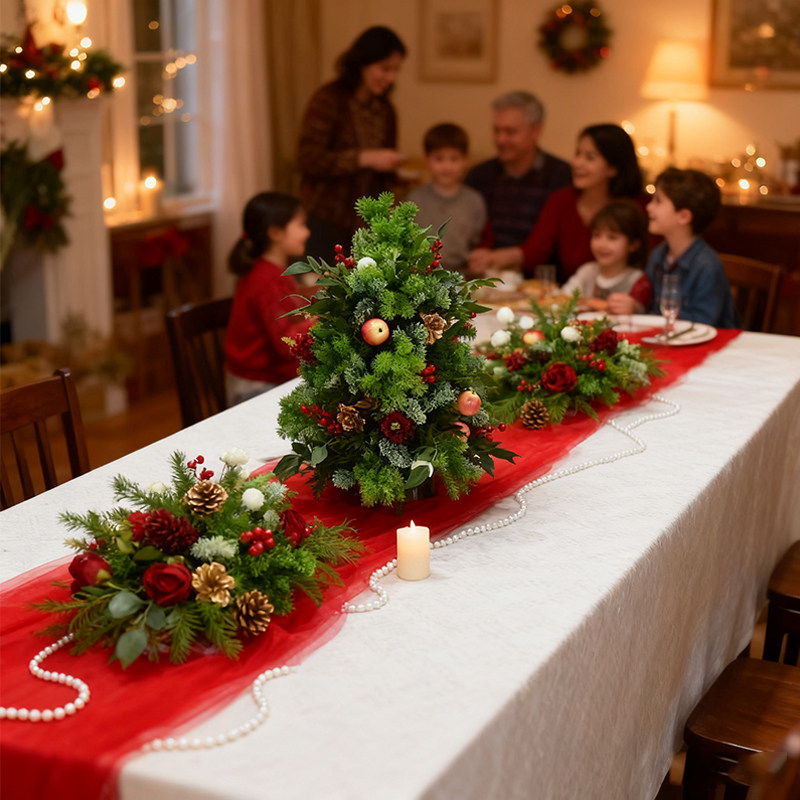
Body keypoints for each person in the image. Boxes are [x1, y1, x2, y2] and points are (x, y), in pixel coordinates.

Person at [470, 123, 644, 283]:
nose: (577, 163)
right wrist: (491, 258)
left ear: (614, 168)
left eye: (590, 158)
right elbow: (536, 250)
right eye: (578, 154)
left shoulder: (636, 208)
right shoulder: (562, 200)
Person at [297, 26, 407, 261]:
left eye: (396, 70)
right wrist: (363, 158)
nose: (391, 78)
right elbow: (307, 158)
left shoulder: (386, 110)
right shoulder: (328, 100)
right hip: (324, 218)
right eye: (384, 69)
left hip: (365, 224)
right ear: (362, 63)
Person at [465, 90, 571, 273]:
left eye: (510, 132)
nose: (500, 139)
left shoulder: (561, 175)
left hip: (540, 280)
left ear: (536, 131)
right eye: (496, 130)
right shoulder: (479, 176)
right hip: (486, 279)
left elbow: (558, 243)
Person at [224, 192, 315, 405]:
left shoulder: (272, 271)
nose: (307, 232)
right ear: (275, 232)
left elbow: (290, 303)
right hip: (256, 387)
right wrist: (319, 319)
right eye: (301, 225)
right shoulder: (265, 280)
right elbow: (286, 344)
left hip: (267, 378)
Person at [645, 167, 741, 328]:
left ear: (683, 216)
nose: (649, 207)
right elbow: (649, 303)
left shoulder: (707, 265)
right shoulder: (658, 255)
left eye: (658, 201)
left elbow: (705, 322)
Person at [407, 123, 487, 273]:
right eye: (439, 159)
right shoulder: (416, 199)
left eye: (454, 159)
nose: (447, 166)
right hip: (423, 273)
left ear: (465, 160)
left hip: (462, 273)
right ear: (427, 160)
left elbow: (479, 241)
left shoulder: (474, 200)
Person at [561, 199, 652, 314]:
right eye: (597, 235)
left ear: (633, 244)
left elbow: (646, 314)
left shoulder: (638, 280)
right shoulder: (587, 272)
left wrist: (634, 308)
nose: (602, 244)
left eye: (612, 237)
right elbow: (563, 299)